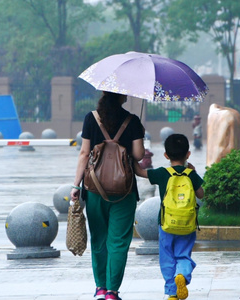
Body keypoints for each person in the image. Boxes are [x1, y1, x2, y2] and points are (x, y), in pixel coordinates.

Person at [70, 91, 145, 300]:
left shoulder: (90, 118)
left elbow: (84, 154)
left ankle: (100, 288)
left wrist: (75, 185)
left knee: (99, 239)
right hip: (125, 190)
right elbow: (138, 155)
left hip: (95, 189)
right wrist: (139, 135)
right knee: (118, 242)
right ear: (122, 97)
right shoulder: (133, 121)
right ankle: (112, 292)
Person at [133, 134, 204, 300]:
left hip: (166, 223)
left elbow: (140, 172)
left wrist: (132, 157)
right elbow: (201, 194)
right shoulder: (190, 174)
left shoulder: (162, 173)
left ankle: (172, 293)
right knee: (183, 255)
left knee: (167, 258)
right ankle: (182, 275)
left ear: (166, 155)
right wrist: (193, 173)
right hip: (187, 223)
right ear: (188, 154)